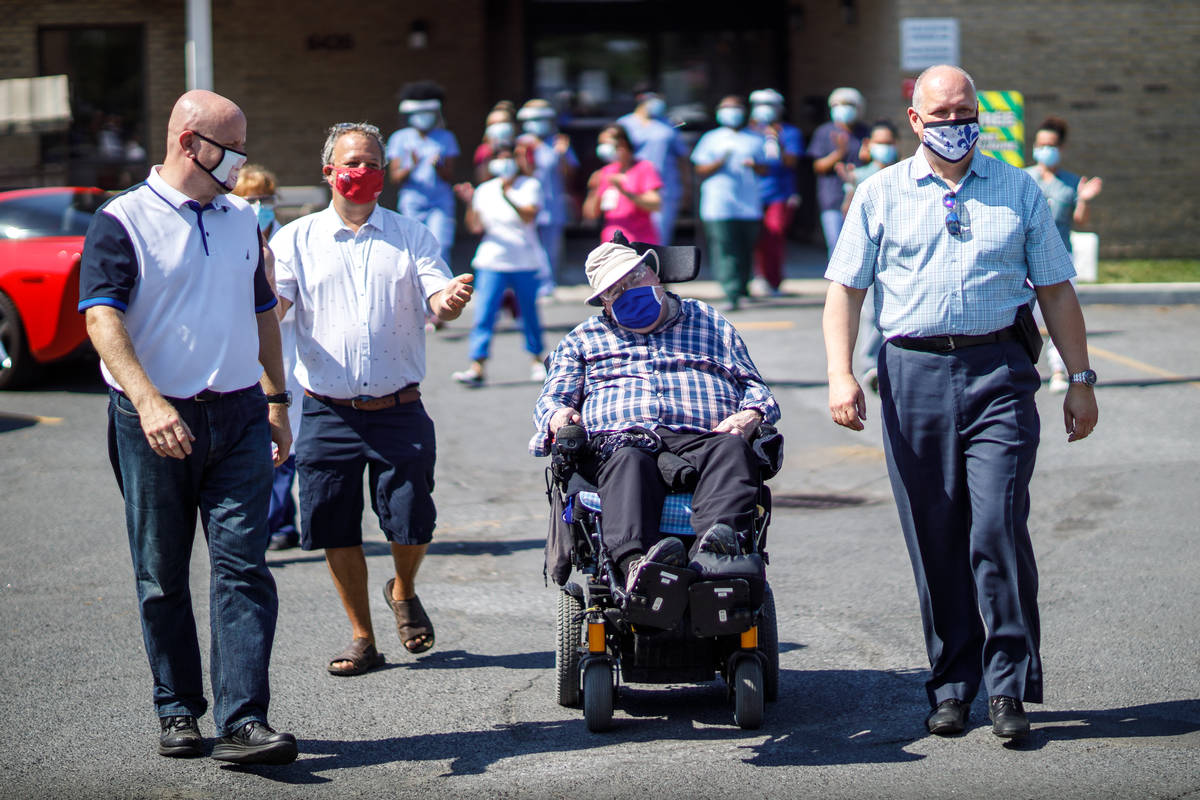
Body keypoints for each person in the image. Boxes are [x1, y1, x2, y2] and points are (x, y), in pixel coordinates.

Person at [822, 65, 1099, 742]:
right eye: (940, 115)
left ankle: (1008, 687)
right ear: (915, 120)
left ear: (980, 115)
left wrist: (1082, 379)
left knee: (996, 527)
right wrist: (840, 375)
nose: (954, 125)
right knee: (936, 534)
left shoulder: (1018, 189)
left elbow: (1057, 289)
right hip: (911, 371)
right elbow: (846, 289)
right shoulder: (880, 193)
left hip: (998, 370)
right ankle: (952, 685)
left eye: (964, 112)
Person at [78, 90, 297, 764]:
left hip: (236, 414)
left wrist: (278, 397)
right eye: (231, 148)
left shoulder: (240, 219)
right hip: (154, 420)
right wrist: (147, 401)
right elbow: (101, 318)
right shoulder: (123, 220)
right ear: (188, 141)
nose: (241, 161)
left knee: (243, 569)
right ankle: (177, 710)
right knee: (161, 575)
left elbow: (263, 311)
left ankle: (243, 722)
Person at [272, 122, 474, 677]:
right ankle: (362, 637)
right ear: (327, 171)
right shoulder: (296, 239)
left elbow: (440, 296)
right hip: (326, 409)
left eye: (371, 163)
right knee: (334, 526)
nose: (360, 172)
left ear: (384, 173)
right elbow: (276, 310)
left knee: (412, 521)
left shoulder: (411, 235)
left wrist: (451, 300)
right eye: (350, 162)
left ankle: (403, 588)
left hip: (398, 407)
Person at [531, 241, 781, 589]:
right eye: (613, 290)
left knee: (733, 450)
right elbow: (551, 399)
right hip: (623, 440)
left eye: (633, 279)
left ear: (654, 274)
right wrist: (560, 417)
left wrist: (750, 415)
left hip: (705, 438)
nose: (626, 292)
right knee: (628, 460)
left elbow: (755, 386)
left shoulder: (708, 320)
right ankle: (637, 568)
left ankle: (716, 555)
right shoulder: (582, 339)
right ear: (602, 301)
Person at [233, 164, 302, 550]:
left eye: (265, 199)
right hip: (245, 357)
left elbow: (276, 311)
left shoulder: (285, 242)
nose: (259, 206)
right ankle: (278, 521)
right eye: (250, 199)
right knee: (256, 443)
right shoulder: (231, 238)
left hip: (287, 355)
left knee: (283, 443)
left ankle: (278, 523)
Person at [450, 144, 547, 386]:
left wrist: (507, 196)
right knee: (485, 313)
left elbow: (529, 215)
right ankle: (477, 365)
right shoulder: (485, 189)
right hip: (492, 261)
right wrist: (470, 202)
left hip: (524, 260)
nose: (505, 164)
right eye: (499, 159)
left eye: (509, 158)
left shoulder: (530, 185)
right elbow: (475, 227)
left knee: (528, 313)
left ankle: (537, 360)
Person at [1026, 116, 1103, 393]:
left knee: (1060, 317)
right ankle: (1025, 369)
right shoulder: (1024, 178)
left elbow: (1080, 222)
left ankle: (1059, 371)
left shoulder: (1070, 183)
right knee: (1025, 318)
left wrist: (1083, 199)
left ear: (1061, 148)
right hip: (1027, 262)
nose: (1046, 149)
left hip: (1060, 260)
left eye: (1051, 145)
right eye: (1041, 144)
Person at [690, 95, 770, 311]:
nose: (732, 112)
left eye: (736, 108)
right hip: (718, 205)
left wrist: (754, 165)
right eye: (727, 108)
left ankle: (743, 288)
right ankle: (731, 292)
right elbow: (699, 169)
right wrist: (718, 163)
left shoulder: (755, 138)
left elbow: (766, 168)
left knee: (746, 249)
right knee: (725, 249)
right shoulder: (711, 139)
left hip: (748, 205)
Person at [838, 120, 900, 391]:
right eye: (879, 142)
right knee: (871, 310)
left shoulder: (905, 174)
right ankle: (871, 366)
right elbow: (846, 211)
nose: (883, 148)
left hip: (897, 252)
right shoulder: (860, 175)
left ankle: (895, 361)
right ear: (868, 146)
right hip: (870, 251)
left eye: (888, 142)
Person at [387, 81, 460, 266]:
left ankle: (442, 288)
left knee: (440, 245)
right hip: (412, 201)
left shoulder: (446, 137)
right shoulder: (399, 138)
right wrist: (411, 165)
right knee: (413, 246)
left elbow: (450, 176)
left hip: (440, 202)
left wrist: (439, 166)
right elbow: (394, 178)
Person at [516, 98, 578, 294]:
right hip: (529, 204)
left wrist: (561, 154)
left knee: (552, 248)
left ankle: (548, 282)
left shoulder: (558, 142)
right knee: (530, 246)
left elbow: (570, 173)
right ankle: (532, 282)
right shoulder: (522, 143)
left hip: (553, 204)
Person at [747, 88, 804, 295]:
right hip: (751, 193)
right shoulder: (748, 133)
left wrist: (776, 140)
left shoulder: (789, 133)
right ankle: (755, 276)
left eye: (770, 106)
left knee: (774, 236)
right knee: (753, 237)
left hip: (780, 194)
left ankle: (773, 280)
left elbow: (792, 161)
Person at [616, 88, 690, 245]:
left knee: (659, 238)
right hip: (632, 188)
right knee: (629, 240)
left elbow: (682, 158)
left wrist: (686, 188)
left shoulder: (669, 125)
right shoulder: (624, 124)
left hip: (664, 189)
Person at [809, 87, 870, 258]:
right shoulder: (824, 132)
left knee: (859, 247)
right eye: (838, 104)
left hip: (859, 198)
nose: (843, 108)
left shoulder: (865, 132)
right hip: (832, 198)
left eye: (848, 105)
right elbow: (818, 166)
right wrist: (839, 153)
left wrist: (867, 156)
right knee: (836, 246)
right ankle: (837, 285)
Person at [582, 123, 662, 244]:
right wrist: (593, 190)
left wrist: (625, 191)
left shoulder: (643, 167)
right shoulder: (606, 172)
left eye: (606, 143)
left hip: (639, 242)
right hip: (611, 245)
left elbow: (655, 204)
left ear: (622, 144)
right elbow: (591, 214)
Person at [472, 104, 517, 184]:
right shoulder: (484, 150)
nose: (499, 128)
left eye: (503, 122)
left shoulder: (520, 147)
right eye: (494, 124)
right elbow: (481, 179)